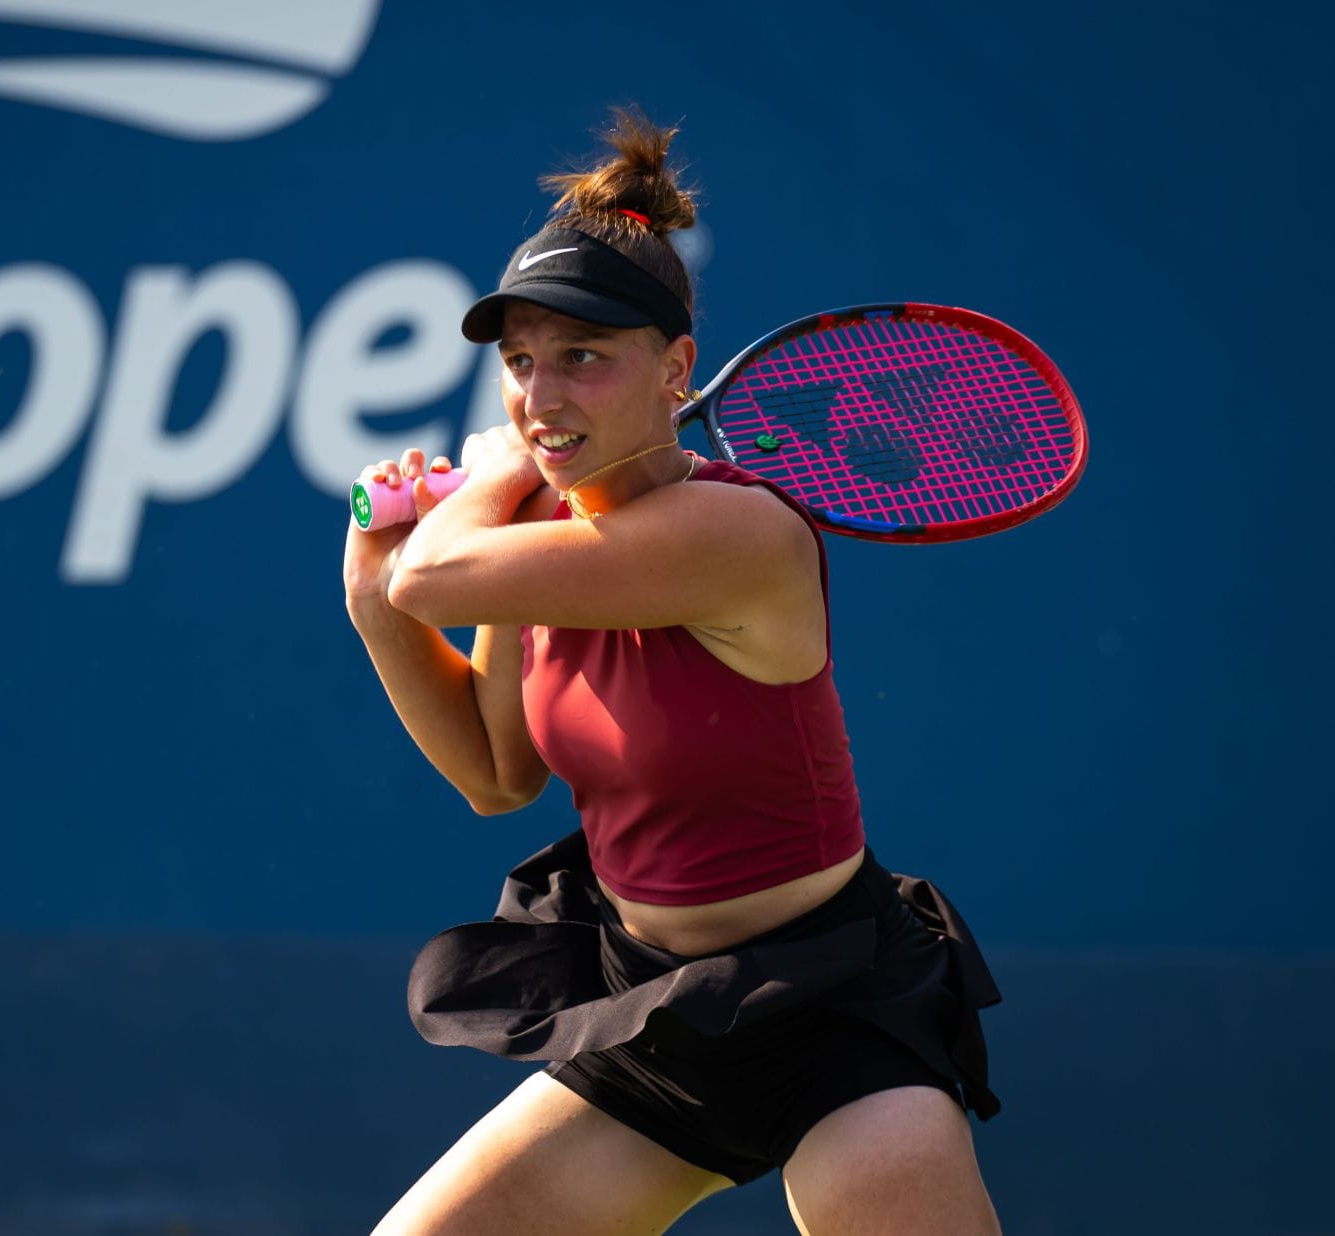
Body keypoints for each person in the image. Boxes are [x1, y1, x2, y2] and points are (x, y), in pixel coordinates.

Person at [342, 110, 1003, 1236]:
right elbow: (497, 774)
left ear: (677, 368)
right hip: (654, 1014)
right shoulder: (532, 547)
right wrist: (372, 592)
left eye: (583, 358)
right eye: (519, 363)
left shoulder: (739, 534)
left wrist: (490, 481)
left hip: (836, 1021)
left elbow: (438, 576)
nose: (540, 397)